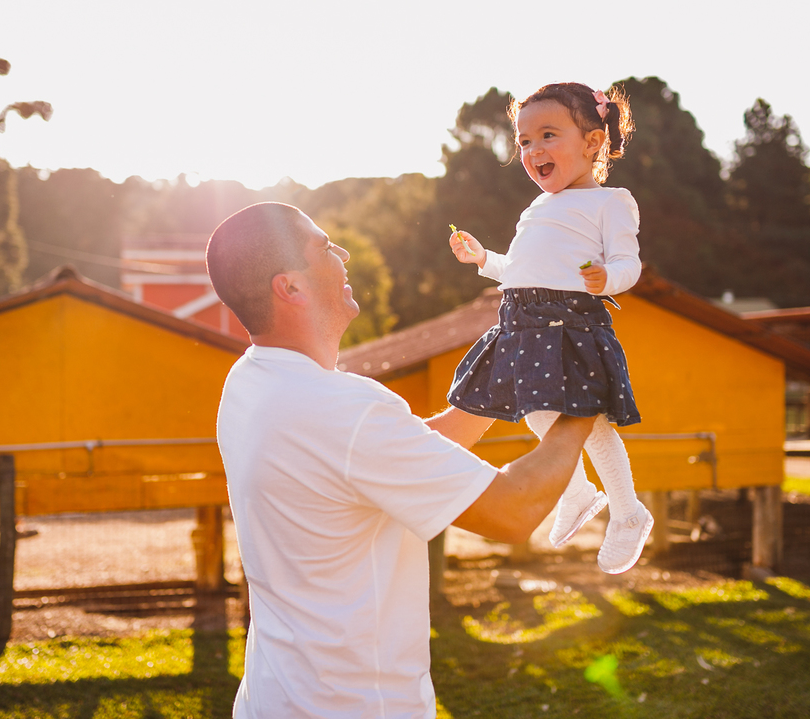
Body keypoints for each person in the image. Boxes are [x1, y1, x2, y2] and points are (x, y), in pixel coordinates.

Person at [206, 201, 596, 718]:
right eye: (324, 247)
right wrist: (586, 400)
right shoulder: (346, 412)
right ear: (290, 287)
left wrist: (497, 375)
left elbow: (402, 456)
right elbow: (513, 510)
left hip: (276, 701)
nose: (342, 254)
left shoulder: (249, 382)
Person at [446, 81, 652, 575]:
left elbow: (630, 264)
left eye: (547, 135)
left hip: (568, 322)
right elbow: (523, 268)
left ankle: (627, 511)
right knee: (534, 407)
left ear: (593, 143)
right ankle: (578, 492)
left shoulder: (611, 203)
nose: (533, 150)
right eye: (524, 141)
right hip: (521, 322)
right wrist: (485, 259)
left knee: (590, 424)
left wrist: (610, 279)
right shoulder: (537, 207)